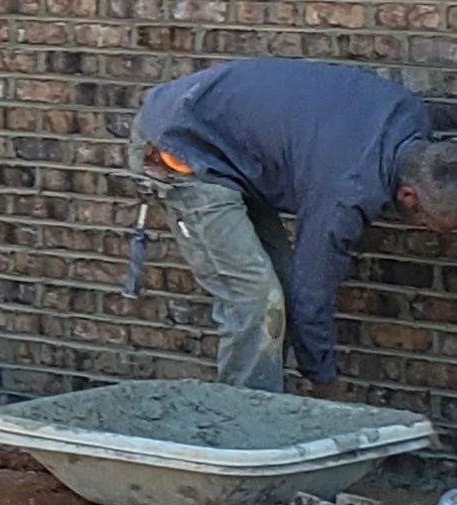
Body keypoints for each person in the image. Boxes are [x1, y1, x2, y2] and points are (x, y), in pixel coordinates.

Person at [130, 59, 457, 397]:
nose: (430, 231)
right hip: (180, 144)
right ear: (408, 196)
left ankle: (267, 403)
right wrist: (323, 380)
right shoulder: (346, 192)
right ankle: (248, 417)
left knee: (280, 289)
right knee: (255, 298)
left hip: (229, 142)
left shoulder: (409, 113)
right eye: (432, 224)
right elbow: (311, 291)